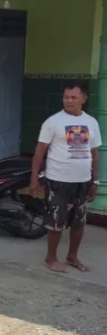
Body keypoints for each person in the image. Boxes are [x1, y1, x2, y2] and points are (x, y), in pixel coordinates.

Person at [29, 82, 100, 273]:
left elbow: (94, 154)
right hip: (58, 180)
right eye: (66, 97)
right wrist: (34, 179)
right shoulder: (53, 122)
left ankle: (72, 256)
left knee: (79, 221)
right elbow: (39, 151)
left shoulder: (91, 122)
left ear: (83, 99)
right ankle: (50, 258)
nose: (68, 101)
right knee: (56, 222)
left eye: (73, 97)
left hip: (83, 181)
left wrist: (95, 180)